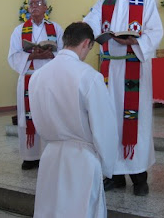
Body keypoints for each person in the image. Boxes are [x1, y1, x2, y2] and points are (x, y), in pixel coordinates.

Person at [83, 0, 163, 196]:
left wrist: (135, 41)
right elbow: (89, 25)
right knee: (109, 121)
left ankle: (139, 177)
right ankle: (114, 174)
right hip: (109, 71)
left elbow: (156, 31)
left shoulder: (145, 2)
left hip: (134, 69)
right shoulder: (102, 4)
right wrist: (97, 33)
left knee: (135, 122)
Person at [29, 22, 118, 218]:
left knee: (50, 210)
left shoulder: (37, 76)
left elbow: (36, 116)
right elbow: (104, 127)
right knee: (80, 210)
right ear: (86, 43)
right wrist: (107, 164)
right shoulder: (89, 76)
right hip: (81, 159)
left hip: (50, 155)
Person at [8, 0, 63, 170]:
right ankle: (30, 156)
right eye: (31, 4)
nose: (34, 6)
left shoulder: (56, 28)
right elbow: (13, 55)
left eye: (38, 3)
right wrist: (33, 54)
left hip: (50, 78)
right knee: (28, 116)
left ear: (46, 7)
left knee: (49, 115)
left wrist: (50, 54)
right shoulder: (19, 30)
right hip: (29, 77)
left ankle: (49, 155)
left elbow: (64, 52)